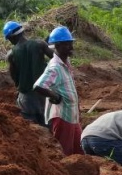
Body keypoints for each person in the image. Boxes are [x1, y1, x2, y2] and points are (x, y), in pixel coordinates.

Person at [33, 26, 84, 156]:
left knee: (79, 151)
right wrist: (54, 96)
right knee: (65, 153)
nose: (71, 48)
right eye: (68, 45)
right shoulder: (55, 67)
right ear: (58, 45)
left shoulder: (65, 62)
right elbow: (38, 86)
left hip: (72, 114)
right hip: (63, 116)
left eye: (71, 44)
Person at [3, 20, 53, 126]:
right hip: (44, 93)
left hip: (26, 98)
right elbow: (56, 61)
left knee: (31, 129)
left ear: (11, 37)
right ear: (22, 32)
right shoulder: (40, 44)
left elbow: (14, 76)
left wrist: (18, 86)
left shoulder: (11, 55)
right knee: (47, 123)